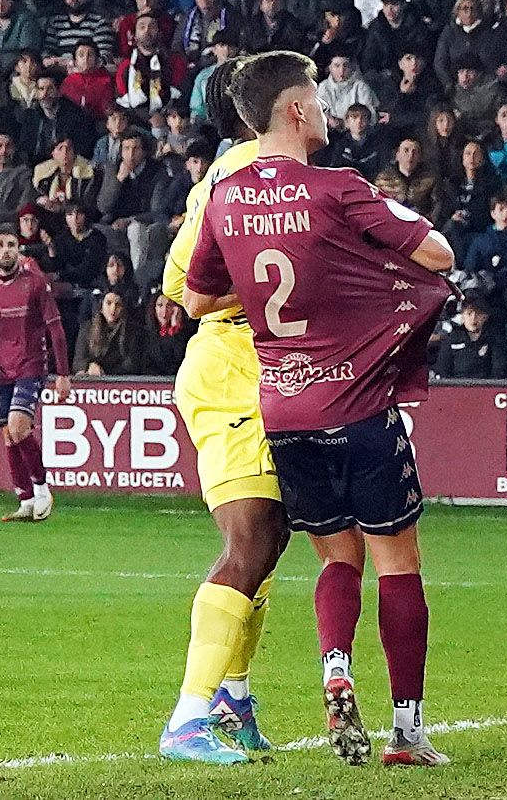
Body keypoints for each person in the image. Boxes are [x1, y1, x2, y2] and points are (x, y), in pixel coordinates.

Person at [180, 52, 457, 768]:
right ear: (298, 110)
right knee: (396, 560)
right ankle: (407, 731)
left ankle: (328, 670)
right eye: (320, 102)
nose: (329, 113)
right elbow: (437, 253)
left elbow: (196, 298)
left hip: (283, 403)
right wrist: (347, 281)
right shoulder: (336, 187)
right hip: (355, 395)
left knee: (331, 554)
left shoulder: (224, 192)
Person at [153, 54, 291, 767]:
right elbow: (181, 280)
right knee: (248, 543)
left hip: (270, 372)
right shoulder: (236, 175)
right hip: (233, 368)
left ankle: (233, 697)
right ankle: (188, 716)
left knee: (270, 541)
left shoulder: (266, 172)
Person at [0, 227, 71, 522]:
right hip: (1, 368)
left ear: (18, 251)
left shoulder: (35, 284)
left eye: (11, 245)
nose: (6, 249)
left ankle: (42, 489)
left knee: (19, 427)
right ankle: (26, 499)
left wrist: (63, 373)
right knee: (9, 435)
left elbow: (56, 329)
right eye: (0, 245)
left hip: (31, 364)